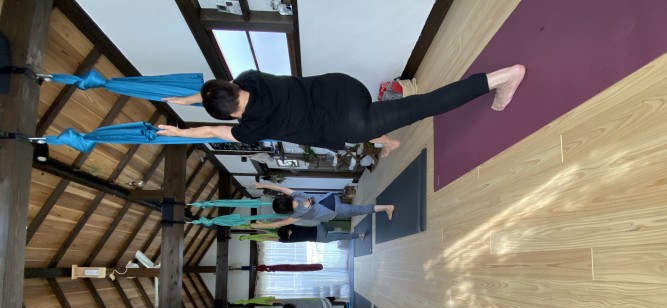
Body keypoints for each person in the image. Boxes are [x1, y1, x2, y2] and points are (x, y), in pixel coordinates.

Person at [157, 65, 525, 158]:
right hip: (344, 87)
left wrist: (180, 132)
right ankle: (388, 142)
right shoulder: (249, 77)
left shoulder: (248, 127)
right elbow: (219, 90)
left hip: (349, 122)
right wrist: (190, 99)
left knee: (423, 105)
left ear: (230, 115)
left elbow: (212, 131)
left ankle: (501, 78)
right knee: (377, 124)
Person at [250, 182, 393, 229]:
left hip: (334, 210)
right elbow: (280, 188)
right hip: (331, 198)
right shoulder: (296, 195)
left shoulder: (297, 214)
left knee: (359, 210)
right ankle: (382, 207)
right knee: (355, 209)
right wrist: (262, 185)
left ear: (284, 210)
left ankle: (387, 207)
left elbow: (279, 223)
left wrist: (263, 226)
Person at [276, 223, 365, 244]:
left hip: (321, 237)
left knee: (339, 237)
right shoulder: (292, 226)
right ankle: (335, 229)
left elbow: (281, 240)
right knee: (336, 234)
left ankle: (359, 235)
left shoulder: (291, 239)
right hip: (319, 227)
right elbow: (284, 223)